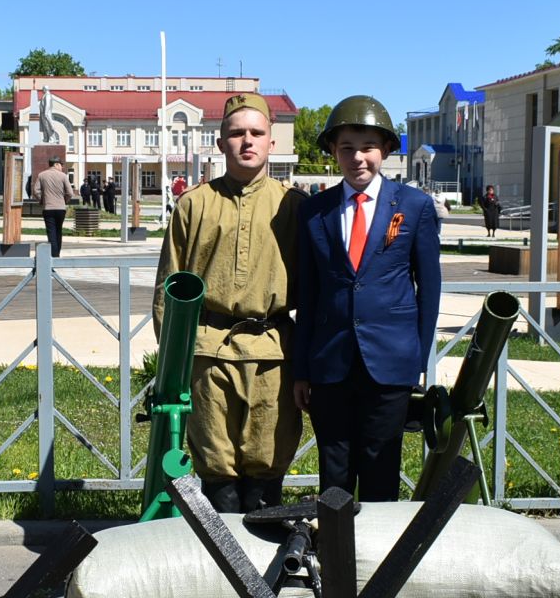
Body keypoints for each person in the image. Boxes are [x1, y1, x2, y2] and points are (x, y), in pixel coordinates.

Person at [155, 92, 302, 513]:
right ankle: (221, 570)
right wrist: (172, 365)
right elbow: (169, 289)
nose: (247, 141)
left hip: (273, 353)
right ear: (220, 143)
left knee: (266, 465)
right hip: (208, 353)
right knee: (217, 471)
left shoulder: (293, 206)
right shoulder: (194, 205)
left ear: (272, 142)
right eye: (236, 133)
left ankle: (263, 572)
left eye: (257, 133)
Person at [293, 94, 440, 504]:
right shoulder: (314, 212)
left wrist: (418, 358)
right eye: (347, 148)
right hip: (330, 362)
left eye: (368, 147)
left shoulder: (413, 207)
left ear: (387, 150)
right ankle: (335, 556)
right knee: (334, 463)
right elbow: (308, 294)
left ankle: (377, 558)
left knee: (381, 461)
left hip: (391, 361)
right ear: (333, 153)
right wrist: (302, 368)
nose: (358, 158)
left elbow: (429, 289)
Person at [29, 154, 78, 256]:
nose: (62, 167)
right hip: (60, 209)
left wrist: (42, 200)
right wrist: (64, 200)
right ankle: (57, 254)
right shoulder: (63, 176)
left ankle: (53, 255)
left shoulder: (42, 175)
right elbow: (70, 193)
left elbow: (35, 191)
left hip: (48, 208)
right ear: (56, 164)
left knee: (51, 232)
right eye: (61, 165)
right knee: (58, 231)